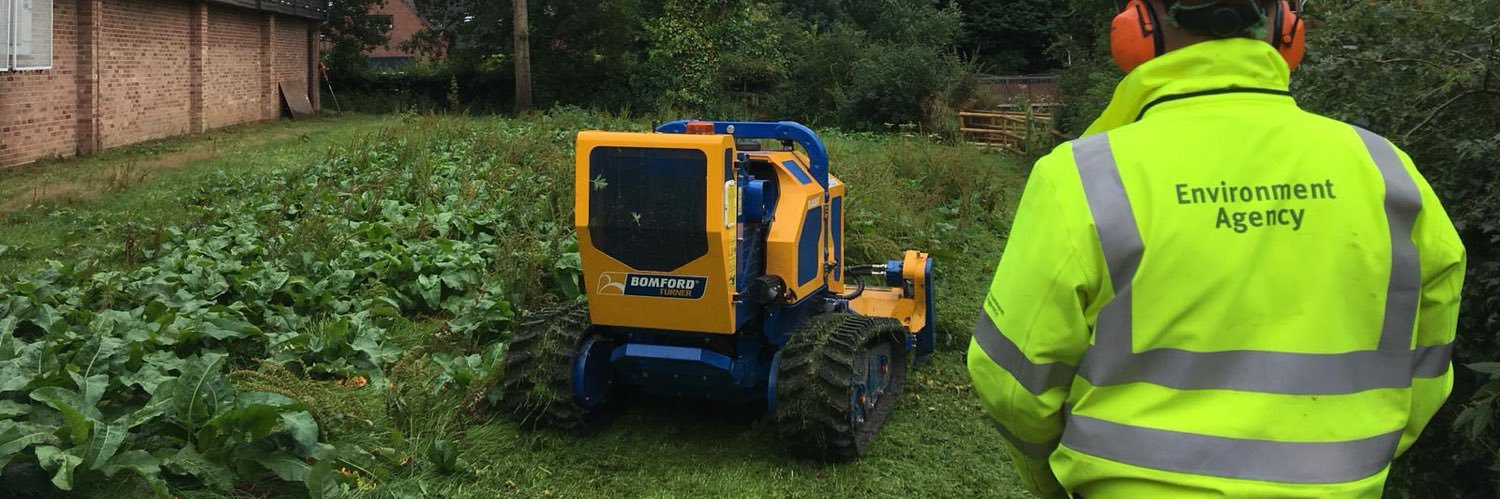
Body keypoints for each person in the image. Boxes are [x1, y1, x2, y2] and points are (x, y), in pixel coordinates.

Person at [966, 0, 1466, 497]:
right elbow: (1426, 370)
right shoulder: (1389, 172)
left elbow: (1009, 384)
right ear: (1286, 29)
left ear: (1136, 26)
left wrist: (1046, 481)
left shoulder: (1081, 177)